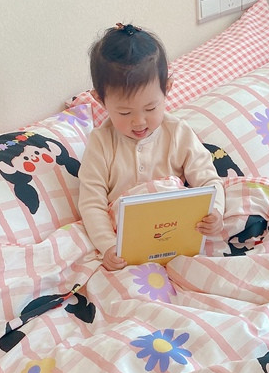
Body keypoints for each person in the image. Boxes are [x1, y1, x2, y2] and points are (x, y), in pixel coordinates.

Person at [78, 23, 225, 270]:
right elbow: (91, 203)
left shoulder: (177, 132)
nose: (139, 122)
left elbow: (209, 181)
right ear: (100, 100)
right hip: (128, 249)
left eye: (150, 108)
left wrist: (216, 212)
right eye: (124, 113)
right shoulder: (101, 143)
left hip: (178, 238)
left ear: (167, 88)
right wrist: (109, 246)